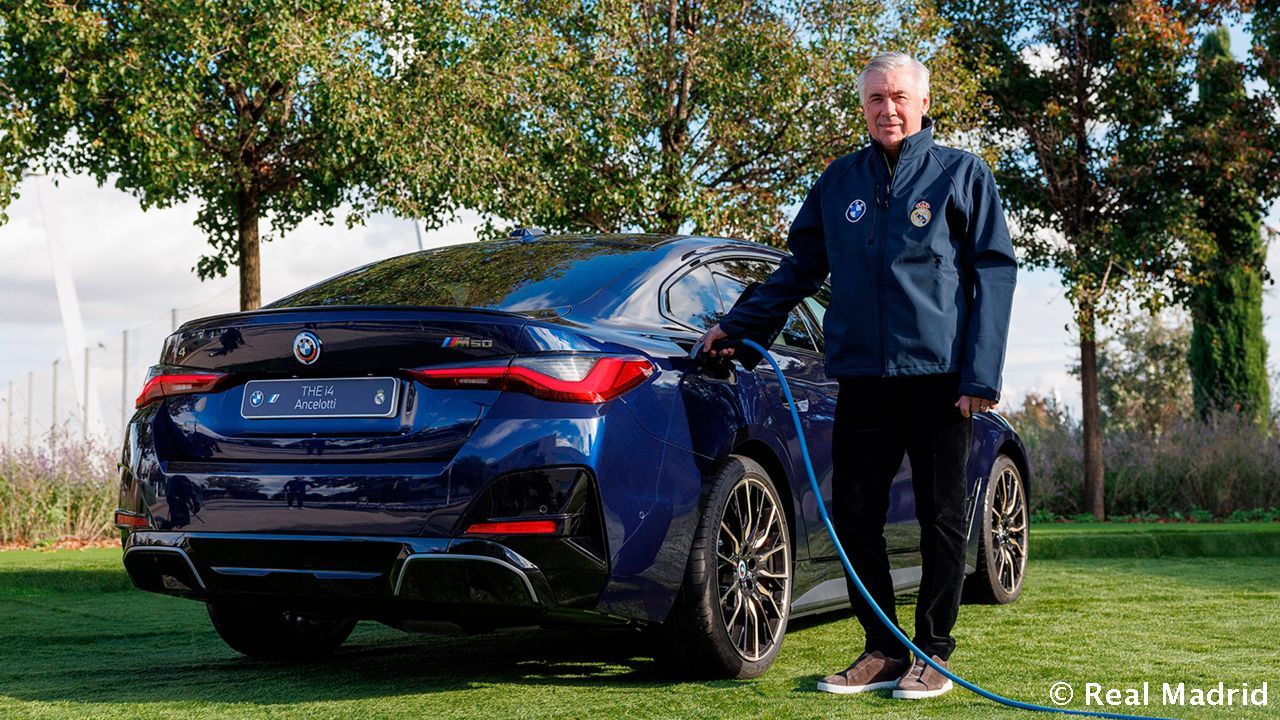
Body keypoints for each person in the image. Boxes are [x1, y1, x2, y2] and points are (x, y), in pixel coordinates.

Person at [698, 51, 1017, 700]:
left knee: (942, 518)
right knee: (854, 515)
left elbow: (995, 273)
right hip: (863, 380)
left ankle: (932, 651)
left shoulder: (962, 174)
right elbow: (798, 270)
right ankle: (882, 649)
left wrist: (980, 375)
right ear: (863, 107)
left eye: (899, 96)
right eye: (875, 98)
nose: (888, 109)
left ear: (924, 103)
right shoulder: (838, 182)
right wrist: (740, 329)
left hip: (940, 380)